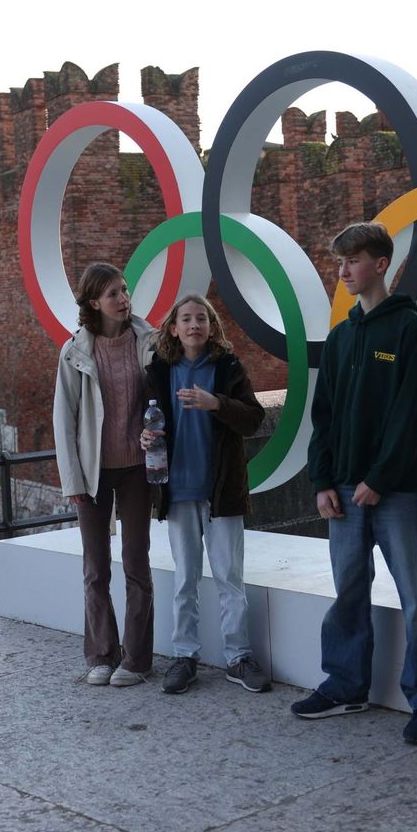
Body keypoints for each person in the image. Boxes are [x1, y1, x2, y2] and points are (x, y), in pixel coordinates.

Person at [294, 221, 417, 744]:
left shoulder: (410, 332)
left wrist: (380, 479)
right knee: (348, 590)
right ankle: (346, 686)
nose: (343, 271)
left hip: (396, 493)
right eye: (339, 263)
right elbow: (325, 416)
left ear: (381, 264)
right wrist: (323, 479)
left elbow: (411, 416)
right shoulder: (341, 339)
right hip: (342, 489)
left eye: (353, 261)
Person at [139, 294, 270, 695]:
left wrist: (216, 403)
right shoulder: (158, 372)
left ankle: (238, 657)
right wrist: (144, 437)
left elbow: (253, 419)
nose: (194, 324)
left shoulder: (228, 368)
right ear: (173, 328)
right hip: (177, 491)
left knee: (230, 579)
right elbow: (143, 423)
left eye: (202, 318)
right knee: (185, 579)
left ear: (211, 327)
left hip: (222, 491)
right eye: (186, 319)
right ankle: (184, 656)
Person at [53, 262, 155, 687]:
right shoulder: (74, 352)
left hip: (137, 469)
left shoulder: (148, 342)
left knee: (136, 564)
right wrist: (73, 482)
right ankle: (100, 655)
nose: (123, 298)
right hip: (94, 474)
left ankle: (137, 660)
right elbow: (66, 420)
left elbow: (160, 400)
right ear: (94, 302)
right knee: (96, 569)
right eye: (113, 293)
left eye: (125, 290)